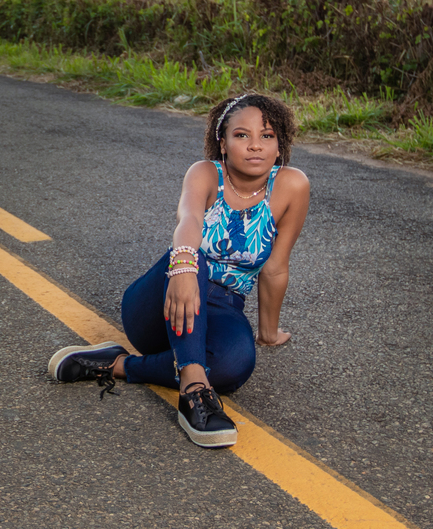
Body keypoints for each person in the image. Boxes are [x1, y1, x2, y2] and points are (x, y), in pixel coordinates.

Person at [48, 93, 310, 448]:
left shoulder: (292, 186)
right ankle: (194, 392)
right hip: (165, 298)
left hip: (222, 307)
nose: (255, 146)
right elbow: (189, 219)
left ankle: (117, 365)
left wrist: (267, 332)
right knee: (193, 258)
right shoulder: (205, 173)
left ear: (280, 146)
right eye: (241, 136)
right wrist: (185, 264)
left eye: (266, 136)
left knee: (235, 364)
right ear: (223, 143)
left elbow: (276, 266)